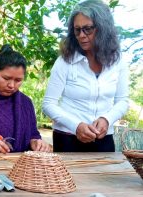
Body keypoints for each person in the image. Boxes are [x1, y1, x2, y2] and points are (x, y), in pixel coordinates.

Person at [42, 0, 129, 152]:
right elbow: (48, 104)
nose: (81, 35)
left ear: (103, 28)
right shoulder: (65, 61)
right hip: (67, 138)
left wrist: (106, 120)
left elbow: (122, 101)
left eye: (88, 29)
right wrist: (76, 126)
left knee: (106, 176)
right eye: (77, 30)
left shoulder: (117, 60)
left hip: (103, 138)